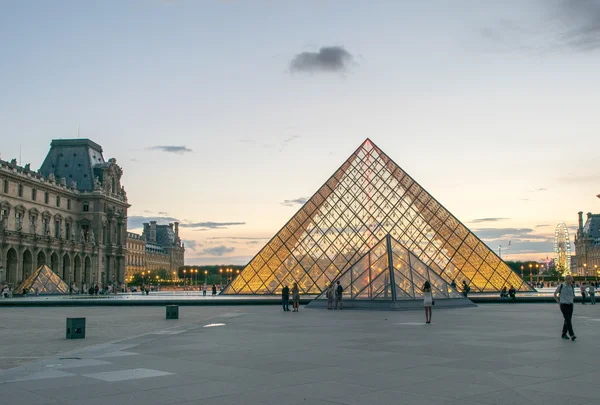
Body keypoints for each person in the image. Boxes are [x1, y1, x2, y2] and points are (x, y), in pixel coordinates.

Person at [554, 274, 576, 341]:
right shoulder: (561, 286)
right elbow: (555, 294)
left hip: (570, 305)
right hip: (563, 305)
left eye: (571, 279)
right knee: (568, 320)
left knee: (567, 319)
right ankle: (572, 334)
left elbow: (573, 295)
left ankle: (564, 334)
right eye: (569, 279)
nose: (571, 280)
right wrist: (558, 302)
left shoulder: (571, 287)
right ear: (566, 279)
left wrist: (571, 300)